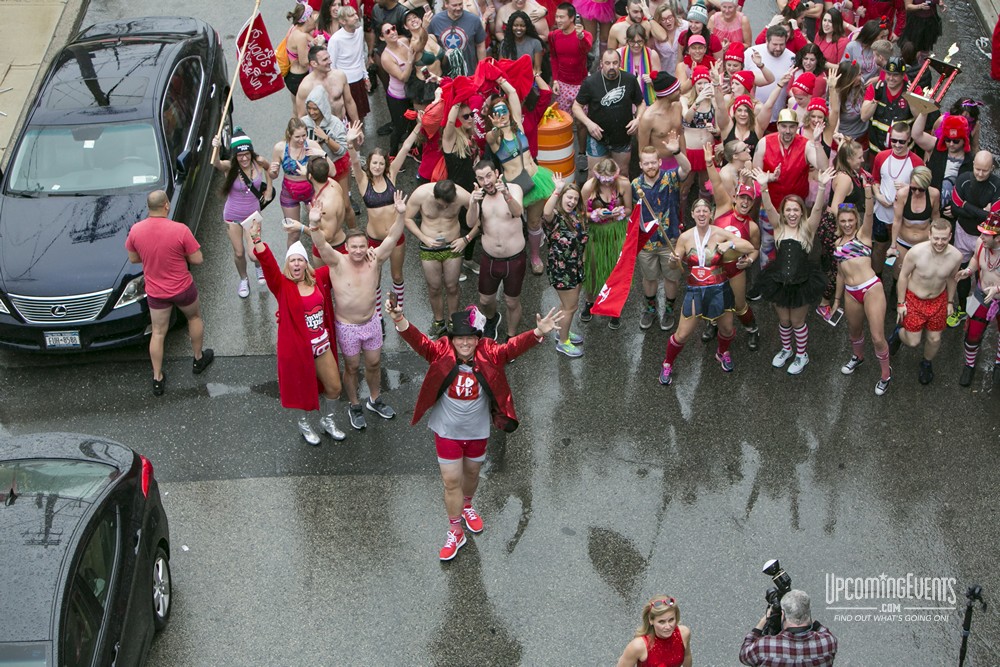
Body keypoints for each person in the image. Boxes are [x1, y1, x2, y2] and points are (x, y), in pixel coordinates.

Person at [389, 302, 562, 560]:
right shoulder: (442, 350)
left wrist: (537, 333)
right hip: (446, 430)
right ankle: (455, 530)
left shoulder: (489, 351)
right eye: (460, 338)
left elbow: (510, 348)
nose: (465, 343)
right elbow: (420, 343)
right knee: (451, 482)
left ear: (477, 338)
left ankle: (467, 504)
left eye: (470, 338)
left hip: (477, 430)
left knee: (471, 474)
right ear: (452, 339)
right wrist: (400, 319)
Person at [311, 195, 406, 429]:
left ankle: (375, 399)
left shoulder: (375, 260)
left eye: (362, 246)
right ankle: (354, 404)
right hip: (347, 327)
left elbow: (393, 236)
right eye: (353, 246)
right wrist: (314, 224)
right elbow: (322, 245)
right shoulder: (336, 262)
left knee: (374, 364)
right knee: (351, 367)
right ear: (346, 247)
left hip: (372, 322)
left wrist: (401, 213)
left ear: (367, 247)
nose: (358, 250)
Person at [248, 220, 345, 444]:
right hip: (297, 350)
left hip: (321, 345)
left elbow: (335, 259)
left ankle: (327, 420)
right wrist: (256, 239)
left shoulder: (319, 278)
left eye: (300, 259)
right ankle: (304, 424)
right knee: (302, 392)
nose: (296, 264)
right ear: (287, 265)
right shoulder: (282, 285)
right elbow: (268, 264)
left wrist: (308, 228)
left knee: (334, 387)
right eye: (292, 260)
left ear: (306, 263)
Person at [658, 196, 755, 385]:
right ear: (693, 214)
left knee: (727, 329)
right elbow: (673, 265)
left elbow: (749, 247)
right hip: (696, 290)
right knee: (683, 334)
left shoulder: (720, 232)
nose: (702, 214)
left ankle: (722, 352)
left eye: (705, 211)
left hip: (720, 288)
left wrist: (731, 243)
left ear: (710, 214)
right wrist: (672, 260)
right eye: (698, 211)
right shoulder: (685, 237)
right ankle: (667, 363)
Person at [125, 191, 214, 396]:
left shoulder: (136, 230)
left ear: (149, 207)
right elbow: (198, 259)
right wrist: (180, 253)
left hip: (156, 292)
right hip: (182, 288)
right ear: (166, 205)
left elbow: (133, 258)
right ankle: (198, 359)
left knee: (157, 332)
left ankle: (157, 378)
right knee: (194, 317)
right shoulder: (180, 230)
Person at [752, 165, 834, 375]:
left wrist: (823, 186)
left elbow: (817, 209)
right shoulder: (778, 228)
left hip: (801, 283)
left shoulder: (808, 230)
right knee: (784, 320)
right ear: (783, 212)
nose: (791, 213)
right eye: (788, 209)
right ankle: (787, 350)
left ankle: (801, 355)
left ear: (801, 212)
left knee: (797, 322)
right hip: (778, 281)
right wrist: (764, 187)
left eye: (796, 209)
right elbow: (769, 208)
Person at [487, 77, 556, 274]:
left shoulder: (518, 123)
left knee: (534, 221)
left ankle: (534, 256)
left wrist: (500, 78)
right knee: (514, 222)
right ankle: (514, 256)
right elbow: (491, 137)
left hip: (535, 179)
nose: (502, 114)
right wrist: (496, 127)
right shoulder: (493, 136)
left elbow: (514, 94)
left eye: (504, 110)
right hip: (514, 187)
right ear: (492, 116)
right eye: (497, 112)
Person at [831, 187, 894, 395]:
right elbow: (841, 273)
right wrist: (837, 300)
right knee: (854, 331)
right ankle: (858, 357)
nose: (847, 224)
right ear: (838, 222)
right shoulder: (837, 243)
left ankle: (885, 374)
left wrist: (868, 191)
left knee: (877, 337)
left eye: (850, 220)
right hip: (850, 292)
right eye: (843, 221)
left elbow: (869, 213)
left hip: (871, 289)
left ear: (855, 221)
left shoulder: (863, 235)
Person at [886, 219, 962, 385]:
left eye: (944, 238)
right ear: (929, 235)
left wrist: (950, 302)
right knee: (913, 342)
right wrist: (900, 303)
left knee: (934, 339)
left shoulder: (956, 256)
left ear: (950, 236)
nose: (939, 242)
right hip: (914, 299)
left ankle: (926, 363)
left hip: (938, 300)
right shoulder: (916, 252)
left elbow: (951, 278)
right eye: (936, 238)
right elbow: (903, 276)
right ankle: (899, 333)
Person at [752, 109, 828, 269]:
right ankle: (768, 284)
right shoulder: (764, 143)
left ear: (797, 127)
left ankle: (793, 281)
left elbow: (823, 167)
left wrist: (817, 142)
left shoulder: (806, 144)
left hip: (796, 209)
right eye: (784, 126)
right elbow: (756, 173)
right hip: (771, 204)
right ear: (778, 126)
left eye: (791, 127)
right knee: (767, 245)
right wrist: (771, 177)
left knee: (796, 248)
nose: (787, 131)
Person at [705, 145, 761, 349]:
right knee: (712, 298)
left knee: (739, 305)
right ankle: (712, 323)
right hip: (715, 265)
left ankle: (752, 329)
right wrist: (709, 163)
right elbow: (717, 182)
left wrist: (750, 261)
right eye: (742, 198)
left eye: (749, 199)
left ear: (752, 203)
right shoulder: (722, 209)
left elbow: (755, 248)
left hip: (735, 269)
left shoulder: (752, 226)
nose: (745, 202)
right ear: (735, 198)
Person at [404, 179, 474, 338]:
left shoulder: (462, 195)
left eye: (447, 205)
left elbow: (479, 217)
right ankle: (439, 321)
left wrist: (466, 239)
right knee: (434, 287)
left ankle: (453, 320)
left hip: (452, 246)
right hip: (429, 248)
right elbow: (407, 218)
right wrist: (423, 237)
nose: (443, 207)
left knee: (452, 286)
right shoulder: (421, 194)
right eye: (440, 204)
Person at [634, 139, 690, 333]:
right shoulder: (635, 186)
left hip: (670, 240)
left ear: (659, 162)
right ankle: (650, 309)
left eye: (653, 162)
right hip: (646, 243)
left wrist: (676, 152)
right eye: (646, 163)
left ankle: (669, 310)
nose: (650, 166)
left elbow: (687, 168)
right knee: (649, 278)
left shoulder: (671, 177)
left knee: (671, 278)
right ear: (640, 165)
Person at [210, 130, 273, 298]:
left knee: (254, 255)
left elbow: (270, 169)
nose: (244, 159)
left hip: (252, 215)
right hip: (232, 216)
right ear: (235, 156)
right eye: (240, 155)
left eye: (246, 154)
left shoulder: (258, 162)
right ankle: (244, 279)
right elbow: (216, 163)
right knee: (239, 253)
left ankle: (258, 267)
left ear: (251, 152)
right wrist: (215, 148)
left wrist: (269, 189)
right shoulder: (230, 167)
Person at [468, 161, 525, 341]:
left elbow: (517, 212)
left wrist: (506, 194)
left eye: (488, 176)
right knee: (485, 300)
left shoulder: (513, 188)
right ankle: (492, 320)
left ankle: (511, 337)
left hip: (514, 259)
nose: (486, 181)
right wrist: (472, 203)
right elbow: (470, 223)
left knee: (511, 302)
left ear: (496, 173)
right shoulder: (479, 196)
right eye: (480, 178)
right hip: (490, 258)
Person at [573, 50, 646, 178]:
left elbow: (641, 103)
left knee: (622, 173)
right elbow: (576, 106)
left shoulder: (629, 79)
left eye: (615, 63)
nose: (611, 67)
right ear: (601, 64)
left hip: (622, 136)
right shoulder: (590, 82)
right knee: (595, 174)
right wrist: (589, 124)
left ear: (620, 63)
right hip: (597, 137)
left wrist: (638, 119)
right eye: (607, 63)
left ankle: (621, 198)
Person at [580, 158, 632, 329]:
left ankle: (613, 308)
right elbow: (580, 213)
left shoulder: (624, 184)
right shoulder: (589, 187)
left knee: (614, 270)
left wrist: (621, 212)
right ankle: (589, 302)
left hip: (616, 231)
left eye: (610, 177)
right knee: (592, 267)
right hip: (596, 233)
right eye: (603, 177)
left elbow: (630, 209)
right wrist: (593, 215)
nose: (607, 181)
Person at [950, 151, 1000, 327]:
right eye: (977, 169)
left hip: (986, 237)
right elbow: (955, 208)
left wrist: (966, 205)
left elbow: (994, 216)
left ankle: (980, 314)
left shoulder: (996, 185)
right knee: (962, 272)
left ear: (992, 169)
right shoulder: (963, 179)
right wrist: (982, 212)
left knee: (984, 274)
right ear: (973, 166)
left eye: (984, 171)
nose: (980, 174)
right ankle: (962, 308)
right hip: (963, 232)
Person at [542, 175, 589, 357]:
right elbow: (546, 212)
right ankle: (563, 342)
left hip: (575, 266)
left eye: (575, 199)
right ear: (561, 197)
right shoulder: (555, 217)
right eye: (569, 197)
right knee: (570, 307)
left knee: (568, 305)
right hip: (562, 271)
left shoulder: (575, 217)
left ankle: (563, 331)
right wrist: (557, 189)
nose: (572, 201)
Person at [870, 122, 924, 276]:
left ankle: (896, 283)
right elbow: (874, 180)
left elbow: (923, 190)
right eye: (894, 140)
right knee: (879, 247)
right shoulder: (881, 156)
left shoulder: (917, 162)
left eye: (902, 141)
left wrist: (909, 188)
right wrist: (879, 196)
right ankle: (877, 277)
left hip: (903, 216)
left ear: (909, 141)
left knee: (900, 251)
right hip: (882, 212)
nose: (897, 145)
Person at [955, 212, 1000, 388]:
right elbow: (975, 259)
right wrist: (969, 271)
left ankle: (998, 363)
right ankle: (969, 366)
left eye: (986, 234)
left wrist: (997, 289)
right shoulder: (981, 243)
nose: (980, 236)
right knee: (972, 335)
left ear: (998, 238)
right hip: (981, 295)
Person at [301, 86, 354, 230]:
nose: (312, 112)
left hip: (336, 164)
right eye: (309, 108)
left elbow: (342, 150)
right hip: (315, 170)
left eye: (315, 109)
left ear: (323, 107)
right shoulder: (304, 123)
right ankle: (327, 234)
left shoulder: (335, 123)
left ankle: (353, 232)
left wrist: (326, 139)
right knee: (318, 206)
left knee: (346, 204)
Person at [270, 117, 329, 246]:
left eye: (304, 135)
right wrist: (273, 171)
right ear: (289, 134)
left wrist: (321, 154)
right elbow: (273, 175)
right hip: (289, 193)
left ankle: (322, 257)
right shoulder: (280, 148)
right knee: (293, 233)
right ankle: (290, 263)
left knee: (320, 227)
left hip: (311, 191)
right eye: (297, 137)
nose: (302, 140)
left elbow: (326, 170)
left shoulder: (312, 145)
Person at [739, 590, 837, 666]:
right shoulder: (828, 643)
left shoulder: (764, 647)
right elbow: (823, 630)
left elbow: (744, 655)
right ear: (808, 613)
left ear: (783, 614)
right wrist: (804, 613)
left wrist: (764, 619)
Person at [888, 166, 939, 279]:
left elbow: (935, 217)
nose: (916, 192)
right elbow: (897, 220)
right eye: (913, 188)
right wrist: (893, 245)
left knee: (921, 275)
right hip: (903, 242)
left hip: (923, 243)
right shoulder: (902, 194)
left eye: (921, 189)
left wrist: (936, 240)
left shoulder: (934, 194)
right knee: (899, 274)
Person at [861, 57, 917, 155]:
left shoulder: (913, 89)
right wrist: (875, 100)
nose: (891, 78)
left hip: (903, 153)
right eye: (888, 74)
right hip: (876, 152)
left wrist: (911, 98)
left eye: (895, 75)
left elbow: (919, 117)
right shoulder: (875, 88)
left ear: (903, 75)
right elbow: (864, 117)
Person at [616, 596, 693, 667]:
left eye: (671, 620)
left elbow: (687, 656)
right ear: (651, 620)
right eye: (662, 622)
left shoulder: (683, 633)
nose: (668, 627)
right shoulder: (638, 646)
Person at [327, 6, 371, 122]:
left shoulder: (359, 32)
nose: (357, 17)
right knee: (349, 119)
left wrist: (365, 77)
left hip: (359, 80)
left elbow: (361, 56)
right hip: (346, 83)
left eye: (356, 14)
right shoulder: (336, 40)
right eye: (351, 16)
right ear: (342, 21)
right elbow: (331, 65)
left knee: (360, 117)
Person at [294, 45, 360, 122]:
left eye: (329, 58)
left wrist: (357, 125)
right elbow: (302, 116)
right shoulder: (306, 86)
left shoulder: (340, 76)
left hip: (342, 124)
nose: (330, 61)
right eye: (325, 59)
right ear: (314, 63)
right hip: (322, 130)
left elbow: (349, 102)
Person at [745, 25, 795, 125]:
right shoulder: (750, 53)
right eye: (775, 44)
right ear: (767, 41)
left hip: (777, 119)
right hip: (753, 115)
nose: (778, 48)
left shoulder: (792, 58)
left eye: (782, 44)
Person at [549, 3, 594, 116]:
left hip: (581, 84)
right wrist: (555, 80)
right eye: (557, 16)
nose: (558, 20)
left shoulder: (586, 35)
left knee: (581, 122)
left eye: (561, 17)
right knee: (563, 119)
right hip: (562, 85)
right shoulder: (553, 36)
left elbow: (586, 49)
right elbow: (554, 59)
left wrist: (581, 38)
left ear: (572, 18)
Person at [428, 0, 487, 75]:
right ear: (446, 4)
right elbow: (429, 45)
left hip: (469, 74)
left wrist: (482, 70)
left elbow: (480, 46)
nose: (458, 8)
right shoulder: (435, 21)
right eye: (454, 5)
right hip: (444, 76)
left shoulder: (474, 20)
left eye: (460, 4)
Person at [284, 2, 322, 101]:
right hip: (298, 78)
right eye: (311, 15)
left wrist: (313, 42)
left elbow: (308, 37)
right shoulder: (300, 37)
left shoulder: (295, 29)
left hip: (293, 76)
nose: (314, 18)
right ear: (307, 19)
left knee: (297, 110)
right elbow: (304, 62)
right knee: (305, 112)